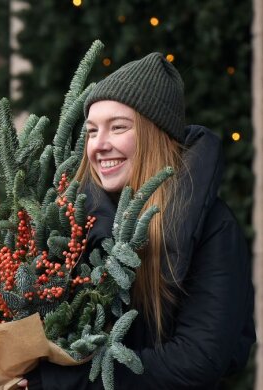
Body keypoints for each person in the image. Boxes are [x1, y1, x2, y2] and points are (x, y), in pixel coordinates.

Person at [22, 52, 255, 389]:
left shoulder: (214, 227)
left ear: (153, 133)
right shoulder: (70, 225)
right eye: (91, 131)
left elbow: (198, 358)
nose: (99, 145)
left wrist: (59, 381)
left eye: (118, 127)